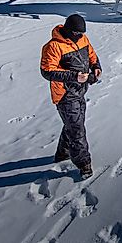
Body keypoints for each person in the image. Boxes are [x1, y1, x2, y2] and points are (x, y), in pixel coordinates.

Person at [40, 14, 102, 179]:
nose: (80, 36)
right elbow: (47, 71)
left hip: (80, 90)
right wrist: (74, 76)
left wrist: (96, 66)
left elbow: (92, 55)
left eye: (81, 33)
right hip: (65, 94)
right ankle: (84, 164)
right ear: (69, 30)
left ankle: (62, 153)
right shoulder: (53, 46)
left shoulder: (82, 39)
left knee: (73, 124)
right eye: (77, 33)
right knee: (77, 129)